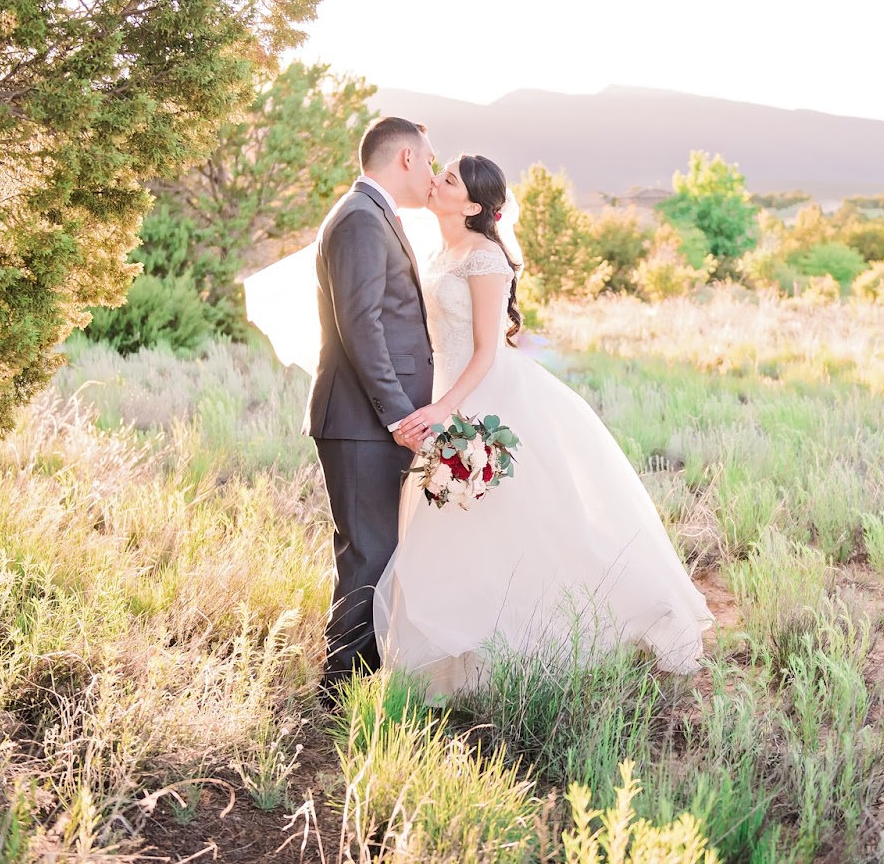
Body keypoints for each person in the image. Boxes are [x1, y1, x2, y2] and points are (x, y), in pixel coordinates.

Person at [374, 154, 711, 696]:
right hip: (443, 394)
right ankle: (463, 661)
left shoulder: (486, 258)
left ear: (474, 207)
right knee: (458, 531)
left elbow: (486, 351)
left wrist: (445, 410)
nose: (436, 180)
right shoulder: (438, 251)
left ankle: (619, 616)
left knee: (523, 525)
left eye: (450, 179)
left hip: (484, 398)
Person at [302, 116, 436, 698]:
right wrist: (398, 414)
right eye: (429, 160)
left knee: (379, 550)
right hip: (363, 420)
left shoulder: (373, 213)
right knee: (369, 554)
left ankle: (365, 680)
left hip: (372, 419)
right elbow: (361, 325)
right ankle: (339, 692)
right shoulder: (360, 217)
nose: (432, 171)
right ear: (405, 157)